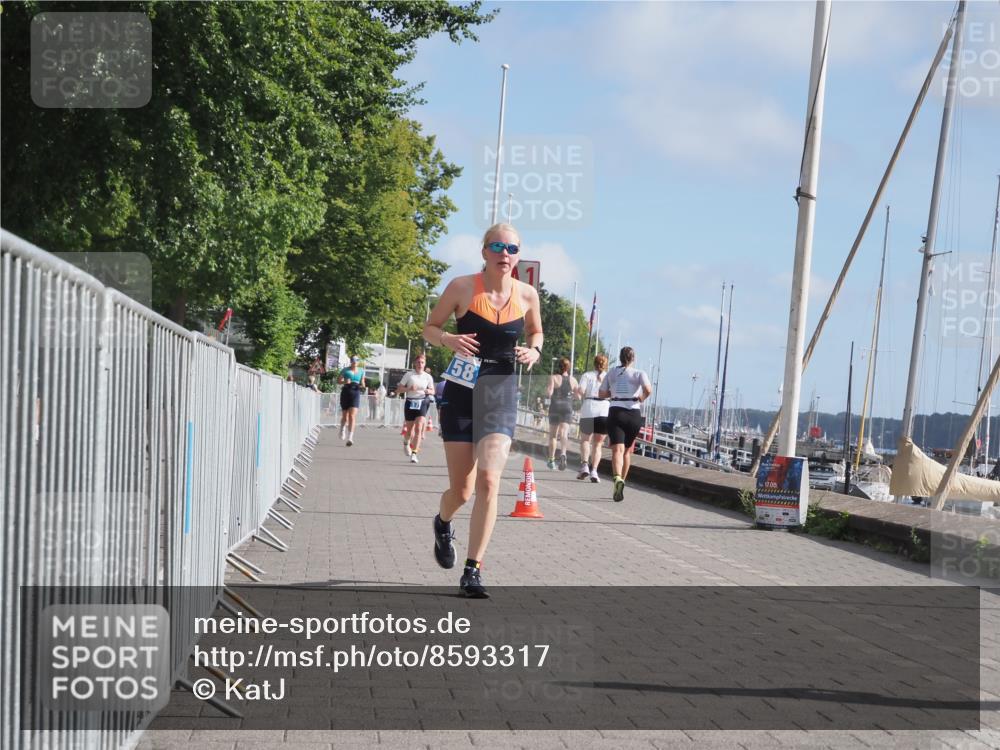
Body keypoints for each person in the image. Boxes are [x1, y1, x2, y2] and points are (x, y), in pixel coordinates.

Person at [423, 223, 542, 598]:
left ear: (518, 256)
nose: (505, 254)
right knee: (461, 491)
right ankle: (443, 523)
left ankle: (472, 570)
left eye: (512, 248)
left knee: (490, 481)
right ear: (484, 252)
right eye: (498, 247)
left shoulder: (527, 294)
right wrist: (448, 339)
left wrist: (534, 350)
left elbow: (536, 332)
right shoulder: (461, 287)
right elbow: (429, 328)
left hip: (500, 391)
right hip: (461, 390)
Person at [599, 346, 652, 502]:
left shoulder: (611, 372)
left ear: (620, 358)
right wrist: (641, 398)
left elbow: (601, 394)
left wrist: (614, 393)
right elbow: (648, 390)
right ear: (633, 358)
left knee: (617, 450)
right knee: (627, 452)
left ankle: (617, 479)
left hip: (616, 411)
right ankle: (622, 480)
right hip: (633, 413)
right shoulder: (639, 373)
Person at [575, 354, 610, 482]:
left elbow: (580, 391)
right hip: (604, 410)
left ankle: (585, 465)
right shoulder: (609, 377)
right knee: (598, 444)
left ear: (594, 363)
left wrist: (577, 393)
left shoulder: (587, 375)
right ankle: (594, 471)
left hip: (588, 408)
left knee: (585, 440)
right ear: (606, 365)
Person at [398, 352, 435, 463]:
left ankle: (414, 453)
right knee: (410, 431)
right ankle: (406, 442)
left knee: (419, 428)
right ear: (414, 363)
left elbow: (433, 391)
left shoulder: (428, 377)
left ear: (425, 364)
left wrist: (428, 391)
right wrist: (409, 389)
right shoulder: (409, 375)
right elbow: (399, 389)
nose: (420, 364)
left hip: (422, 402)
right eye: (418, 362)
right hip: (410, 402)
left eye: (422, 362)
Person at [546, 358, 577, 470]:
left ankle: (551, 460)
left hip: (555, 407)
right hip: (567, 407)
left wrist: (548, 392)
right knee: (564, 434)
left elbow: (549, 393)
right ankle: (563, 454)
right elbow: (578, 396)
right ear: (569, 368)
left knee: (553, 435)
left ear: (558, 366)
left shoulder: (553, 377)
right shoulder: (573, 380)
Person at [337, 356, 366, 446]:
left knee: (352, 416)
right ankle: (342, 429)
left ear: (358, 362)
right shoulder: (345, 370)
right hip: (346, 392)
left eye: (356, 360)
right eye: (353, 360)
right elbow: (338, 381)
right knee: (345, 416)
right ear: (351, 361)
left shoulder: (361, 371)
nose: (355, 362)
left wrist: (363, 386)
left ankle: (350, 438)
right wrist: (345, 381)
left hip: (356, 392)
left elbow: (363, 382)